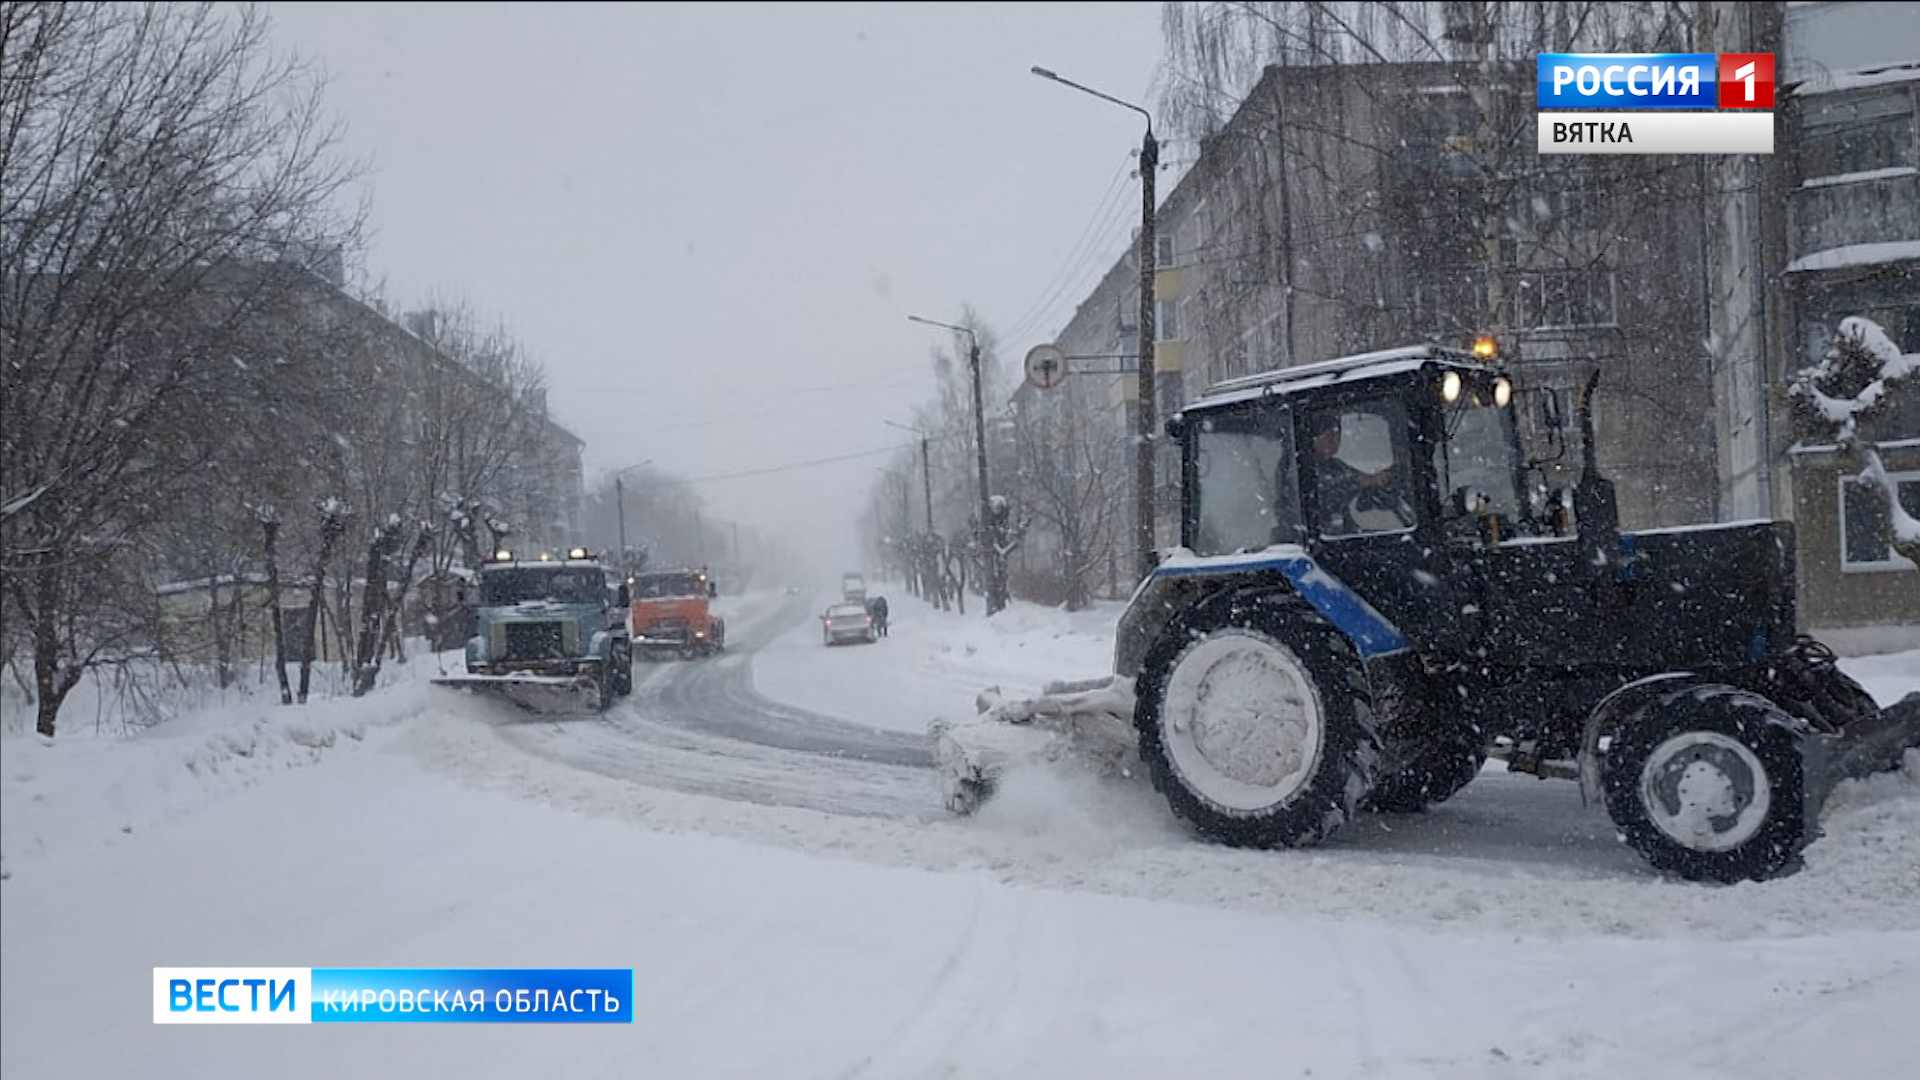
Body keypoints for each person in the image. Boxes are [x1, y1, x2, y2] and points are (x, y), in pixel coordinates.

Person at [1306, 411, 1398, 535]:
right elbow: (1324, 493)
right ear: (1313, 438)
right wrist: (1361, 482)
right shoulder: (1299, 467)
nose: (1334, 439)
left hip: (1345, 532)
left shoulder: (1335, 465)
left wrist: (1381, 480)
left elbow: (1360, 478)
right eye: (1328, 434)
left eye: (1337, 433)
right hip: (1322, 538)